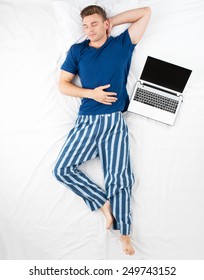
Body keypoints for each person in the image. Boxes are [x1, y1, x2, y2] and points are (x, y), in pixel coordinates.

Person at [53, 5, 151, 256]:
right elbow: (63, 85)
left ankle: (125, 235)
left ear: (105, 24)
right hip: (86, 120)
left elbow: (146, 12)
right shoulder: (78, 51)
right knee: (62, 169)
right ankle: (102, 203)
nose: (89, 30)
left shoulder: (121, 45)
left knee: (120, 179)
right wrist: (91, 93)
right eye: (85, 26)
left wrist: (111, 23)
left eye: (94, 24)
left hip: (114, 123)